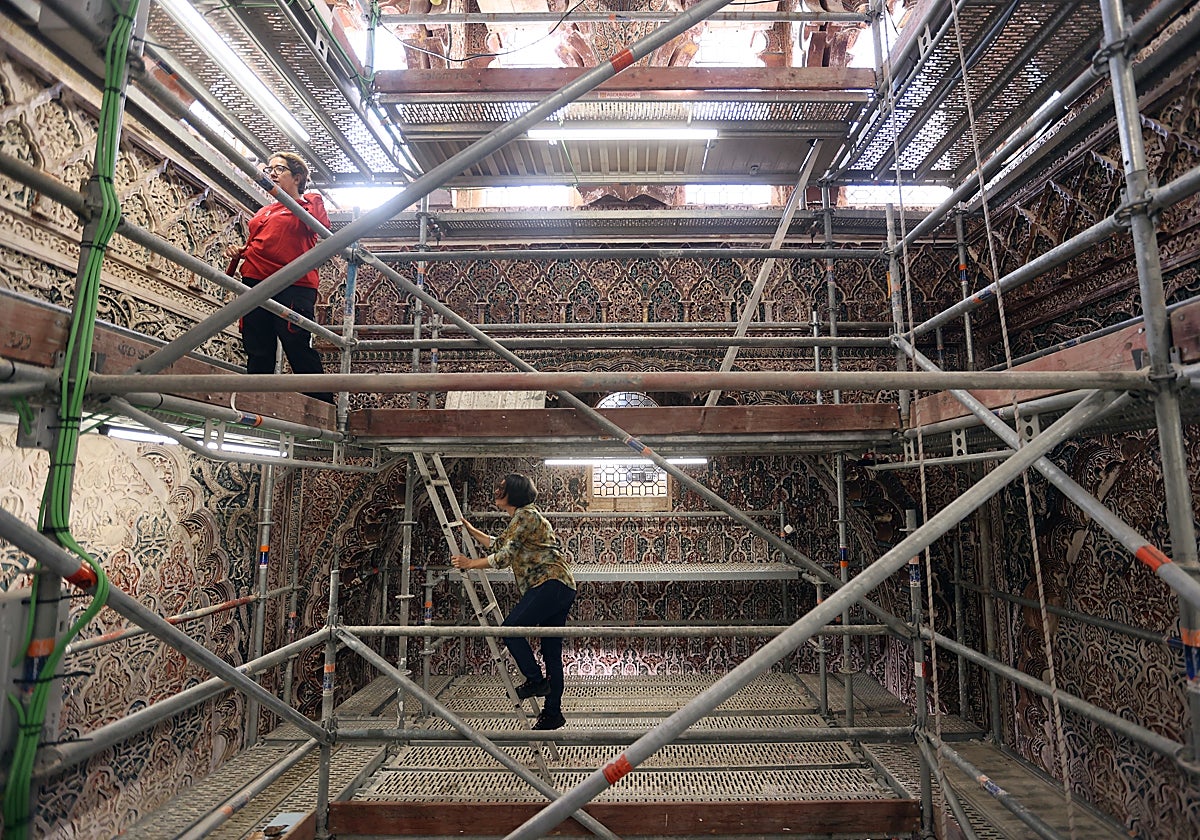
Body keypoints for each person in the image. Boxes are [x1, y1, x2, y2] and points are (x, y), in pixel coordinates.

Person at [451, 473, 576, 730]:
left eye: (502, 487)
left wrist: (470, 564)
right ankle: (552, 713)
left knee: (510, 629)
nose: (497, 490)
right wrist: (471, 531)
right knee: (551, 651)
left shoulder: (525, 515)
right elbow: (500, 544)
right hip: (560, 586)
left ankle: (535, 681)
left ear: (514, 494)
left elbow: (505, 556)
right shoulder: (523, 517)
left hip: (550, 583)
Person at [226, 151, 333, 403]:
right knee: (257, 342)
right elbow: (263, 242)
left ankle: (321, 403)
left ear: (297, 177)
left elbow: (321, 227)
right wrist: (242, 251)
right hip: (256, 279)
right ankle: (256, 400)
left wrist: (311, 198)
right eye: (269, 169)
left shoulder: (307, 205)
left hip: (292, 283)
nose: (271, 174)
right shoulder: (265, 211)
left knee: (295, 341)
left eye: (279, 169)